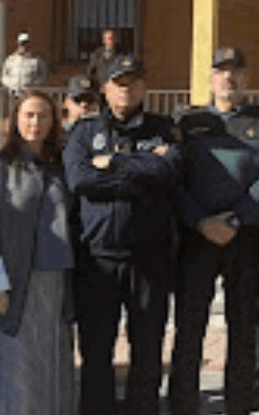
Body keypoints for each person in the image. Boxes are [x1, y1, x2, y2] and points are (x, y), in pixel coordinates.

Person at [168, 46, 259, 415]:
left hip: (245, 237)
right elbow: (175, 180)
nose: (228, 79)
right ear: (211, 77)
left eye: (236, 71)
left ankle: (239, 403)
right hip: (198, 237)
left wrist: (237, 219)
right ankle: (184, 403)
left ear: (246, 78)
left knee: (244, 324)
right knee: (190, 324)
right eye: (221, 71)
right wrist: (200, 221)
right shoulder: (189, 122)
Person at [66, 55, 180, 415]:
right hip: (98, 259)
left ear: (143, 87)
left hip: (149, 258)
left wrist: (114, 163)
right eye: (118, 82)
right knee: (96, 349)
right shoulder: (84, 133)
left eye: (132, 81)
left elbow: (168, 172)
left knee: (147, 347)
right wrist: (139, 176)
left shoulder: (163, 130)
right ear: (105, 89)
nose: (125, 89)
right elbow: (80, 180)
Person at [0, 90, 79, 415]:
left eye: (43, 115)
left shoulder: (61, 169)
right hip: (8, 284)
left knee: (44, 368)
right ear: (15, 120)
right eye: (28, 115)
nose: (35, 122)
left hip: (51, 285)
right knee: (10, 370)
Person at [1, 32, 49, 97]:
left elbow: (43, 75)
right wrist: (10, 85)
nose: (24, 46)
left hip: (29, 94)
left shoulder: (36, 60)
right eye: (22, 44)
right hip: (13, 94)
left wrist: (33, 85)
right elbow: (4, 76)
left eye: (26, 43)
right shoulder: (10, 60)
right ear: (18, 44)